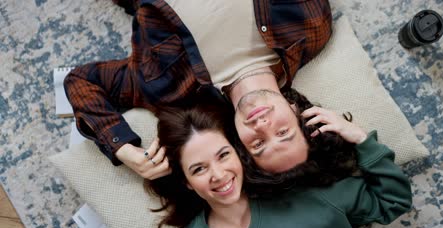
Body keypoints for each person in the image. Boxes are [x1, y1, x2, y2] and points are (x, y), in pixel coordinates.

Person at [63, 0, 333, 178]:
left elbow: (81, 81)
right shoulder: (310, 27)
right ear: (299, 113)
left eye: (259, 143)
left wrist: (123, 149)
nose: (262, 125)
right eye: (283, 132)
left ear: (238, 143)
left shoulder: (167, 90)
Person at [145, 102, 412, 228]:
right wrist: (120, 147)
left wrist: (360, 139)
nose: (218, 174)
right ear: (187, 182)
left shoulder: (301, 193)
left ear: (238, 153)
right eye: (199, 168)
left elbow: (393, 201)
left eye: (223, 155)